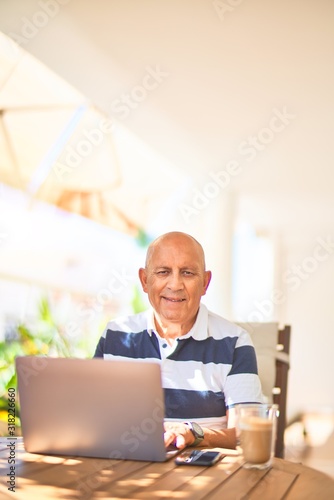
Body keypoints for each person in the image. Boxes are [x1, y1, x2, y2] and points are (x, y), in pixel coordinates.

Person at [94, 231, 263, 450]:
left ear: (205, 283)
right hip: (124, 464)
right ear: (145, 280)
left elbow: (247, 433)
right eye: (163, 272)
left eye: (187, 273)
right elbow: (92, 416)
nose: (175, 284)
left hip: (202, 473)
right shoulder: (115, 335)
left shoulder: (235, 342)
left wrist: (196, 434)